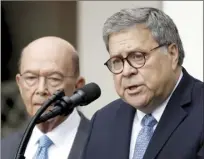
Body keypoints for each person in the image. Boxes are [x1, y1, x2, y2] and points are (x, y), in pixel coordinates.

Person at [82, 7, 203, 159]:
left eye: (137, 56)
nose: (126, 71)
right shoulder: (102, 121)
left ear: (172, 54)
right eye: (117, 61)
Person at [1, 36, 90, 159]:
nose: (41, 89)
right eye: (31, 78)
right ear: (19, 84)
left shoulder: (103, 143)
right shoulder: (4, 148)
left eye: (54, 78)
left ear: (78, 86)